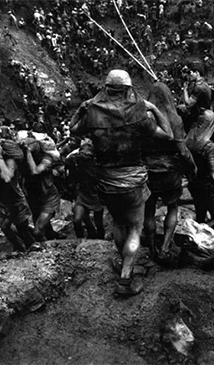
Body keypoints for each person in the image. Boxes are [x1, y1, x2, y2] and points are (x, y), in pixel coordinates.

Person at [70, 70, 173, 296]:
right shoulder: (138, 115)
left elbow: (73, 129)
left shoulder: (93, 115)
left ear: (106, 88)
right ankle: (126, 278)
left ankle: (121, 260)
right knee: (135, 228)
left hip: (105, 180)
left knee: (118, 223)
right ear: (128, 89)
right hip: (133, 179)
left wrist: (82, 108)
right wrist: (154, 109)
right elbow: (168, 134)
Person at [143, 82, 196, 260]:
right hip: (170, 171)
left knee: (148, 209)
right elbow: (182, 151)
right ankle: (165, 246)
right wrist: (191, 167)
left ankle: (150, 248)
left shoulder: (143, 118)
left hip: (148, 171)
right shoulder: (175, 119)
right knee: (172, 207)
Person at [185, 109, 214, 223]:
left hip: (193, 182)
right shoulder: (209, 146)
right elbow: (213, 174)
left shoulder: (189, 137)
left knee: (200, 212)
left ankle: (198, 232)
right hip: (207, 186)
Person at [178, 64, 212, 132]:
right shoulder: (204, 84)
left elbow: (188, 105)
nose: (189, 75)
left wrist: (185, 89)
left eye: (190, 72)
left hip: (199, 115)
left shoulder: (199, 87)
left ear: (197, 73)